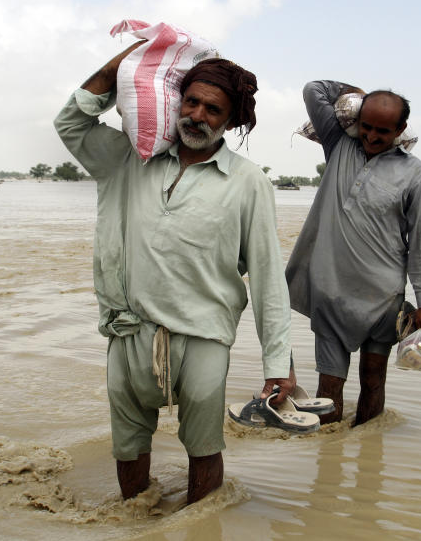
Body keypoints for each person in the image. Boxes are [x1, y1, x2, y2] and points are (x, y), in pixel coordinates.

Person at [54, 43, 294, 504]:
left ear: (231, 120)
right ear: (176, 102)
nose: (198, 115)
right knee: (127, 447)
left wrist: (276, 367)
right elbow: (70, 122)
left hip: (202, 335)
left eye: (213, 109)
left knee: (204, 447)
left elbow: (267, 280)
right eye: (191, 101)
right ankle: (135, 519)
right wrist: (118, 66)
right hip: (129, 330)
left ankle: (201, 520)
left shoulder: (248, 182)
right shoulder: (129, 158)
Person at [285, 80, 421, 426]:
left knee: (373, 381)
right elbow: (313, 90)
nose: (371, 136)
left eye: (383, 130)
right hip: (330, 293)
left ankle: (369, 454)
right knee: (329, 387)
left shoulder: (414, 173)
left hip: (383, 299)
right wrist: (360, 93)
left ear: (400, 130)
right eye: (365, 126)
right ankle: (330, 463)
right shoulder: (339, 146)